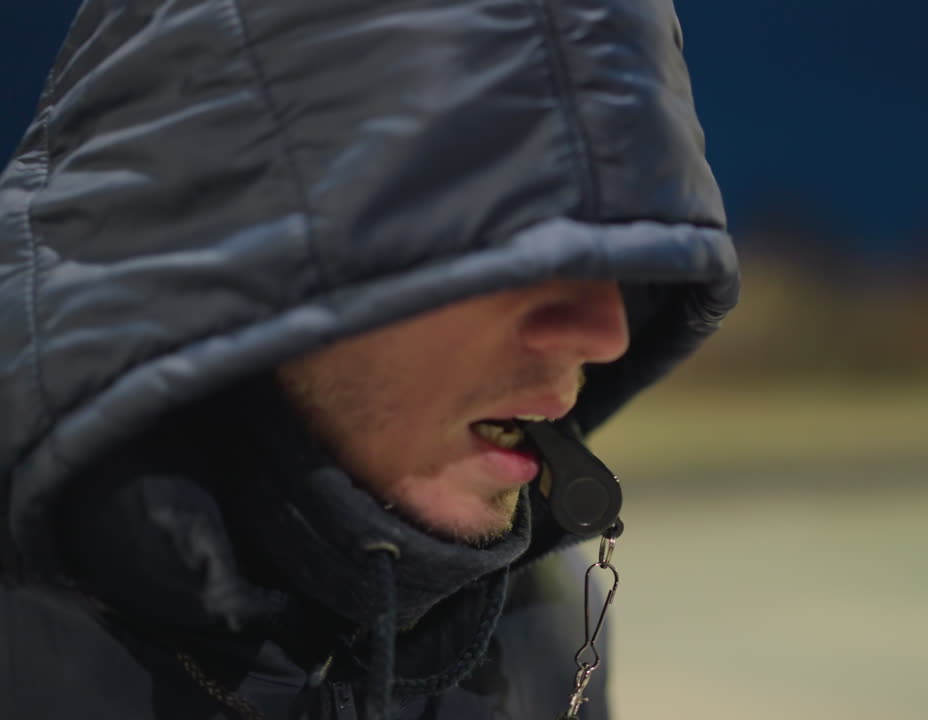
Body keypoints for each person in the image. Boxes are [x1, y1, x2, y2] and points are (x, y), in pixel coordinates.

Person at [0, 1, 739, 718]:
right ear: (231, 237)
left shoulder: (539, 622)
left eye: (622, 261)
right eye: (500, 245)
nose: (605, 332)